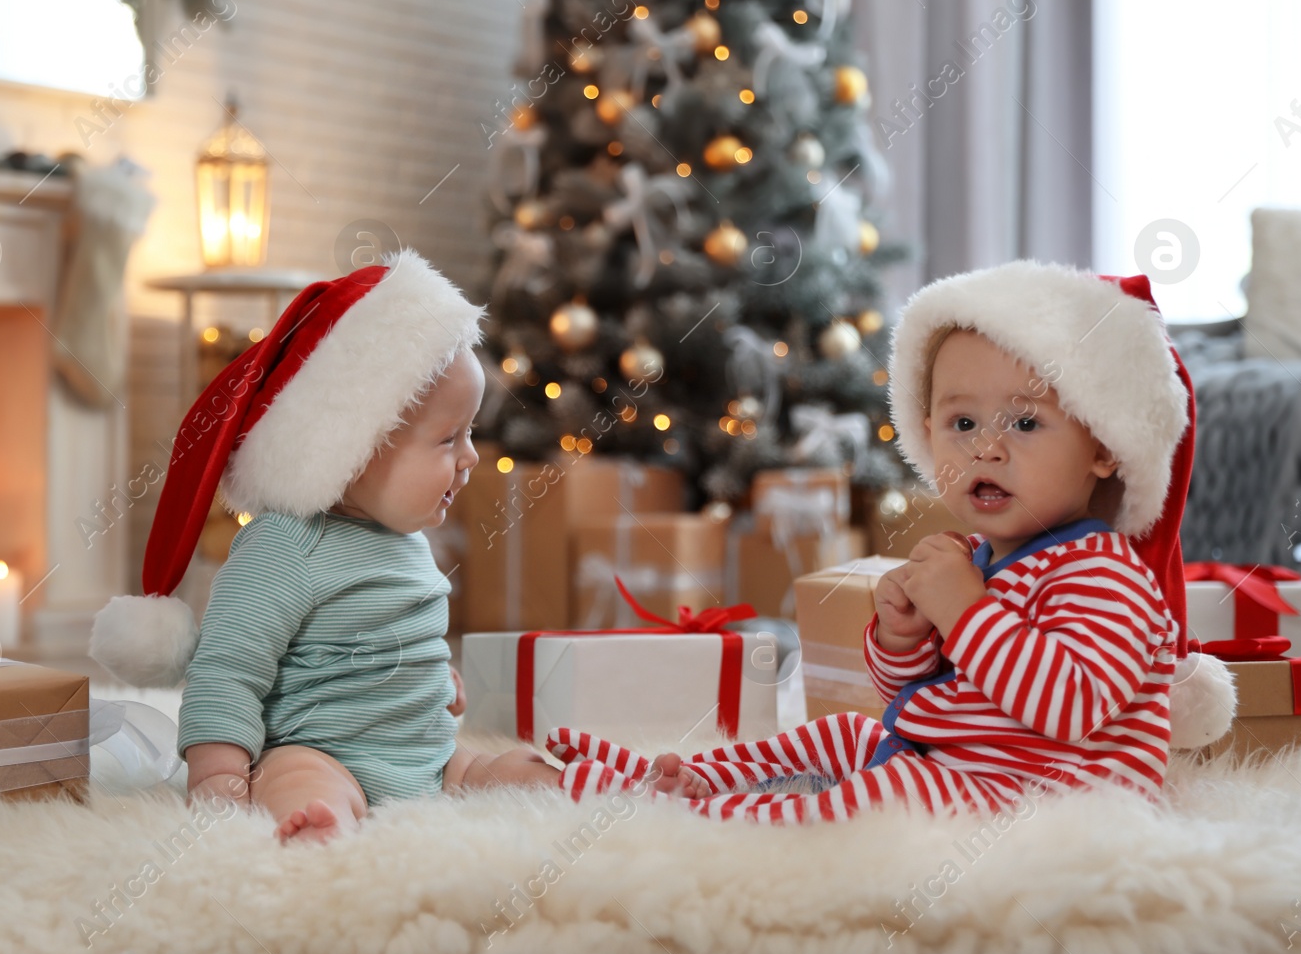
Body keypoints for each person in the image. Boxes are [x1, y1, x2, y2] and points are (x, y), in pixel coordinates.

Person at [545, 260, 1233, 822]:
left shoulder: (1104, 575)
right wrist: (903, 638)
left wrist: (964, 610)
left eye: (1025, 425)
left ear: (1103, 448)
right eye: (961, 423)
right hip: (969, 766)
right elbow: (920, 691)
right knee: (848, 732)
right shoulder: (987, 560)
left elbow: (1069, 704)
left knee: (883, 792)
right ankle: (696, 776)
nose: (986, 449)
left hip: (1054, 800)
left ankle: (709, 821)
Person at [89, 251, 558, 842]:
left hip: (429, 758)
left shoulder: (405, 538)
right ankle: (319, 823)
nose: (470, 458)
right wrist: (216, 777)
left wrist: (439, 683)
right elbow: (226, 671)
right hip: (323, 750)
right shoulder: (285, 547)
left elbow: (404, 636)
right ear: (355, 449)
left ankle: (593, 787)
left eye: (470, 434)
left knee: (512, 769)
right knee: (298, 777)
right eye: (449, 439)